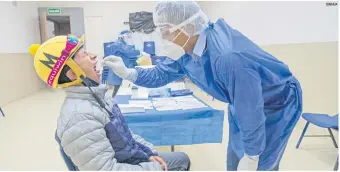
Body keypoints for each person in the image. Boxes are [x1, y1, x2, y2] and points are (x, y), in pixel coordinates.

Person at [102, 1, 303, 171]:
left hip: (277, 102)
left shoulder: (229, 59)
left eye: (165, 31)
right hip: (242, 98)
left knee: (259, 161)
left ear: (188, 27)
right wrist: (128, 73)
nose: (162, 38)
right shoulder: (188, 48)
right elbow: (161, 74)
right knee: (236, 158)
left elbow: (250, 110)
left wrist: (253, 156)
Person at [29, 34, 190, 171]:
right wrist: (153, 167)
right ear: (72, 74)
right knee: (182, 161)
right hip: (127, 164)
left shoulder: (98, 96)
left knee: (181, 158)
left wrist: (150, 153)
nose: (93, 56)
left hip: (131, 159)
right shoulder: (79, 118)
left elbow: (125, 135)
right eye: (85, 54)